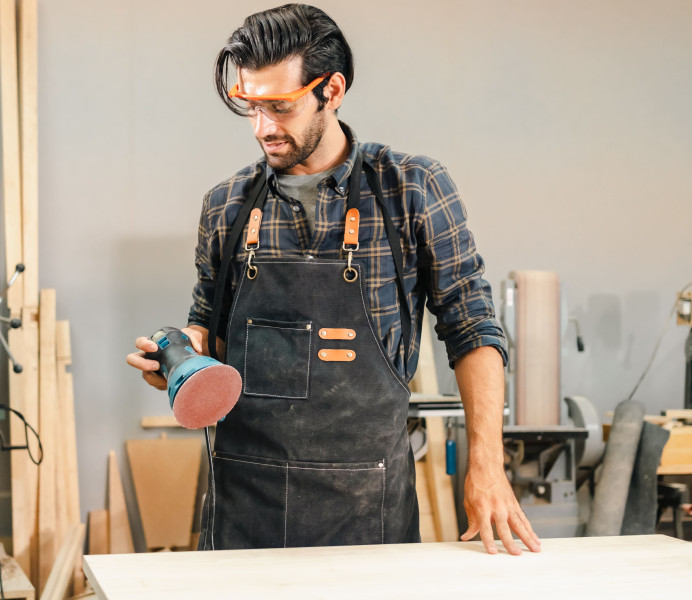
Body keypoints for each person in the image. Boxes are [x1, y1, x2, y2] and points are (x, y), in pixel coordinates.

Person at [127, 3, 539, 556]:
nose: (263, 128)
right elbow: (210, 329)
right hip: (244, 511)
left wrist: (486, 465)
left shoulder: (409, 190)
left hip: (368, 513)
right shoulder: (225, 207)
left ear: (333, 90)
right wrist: (182, 360)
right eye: (250, 106)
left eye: (281, 107)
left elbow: (473, 330)